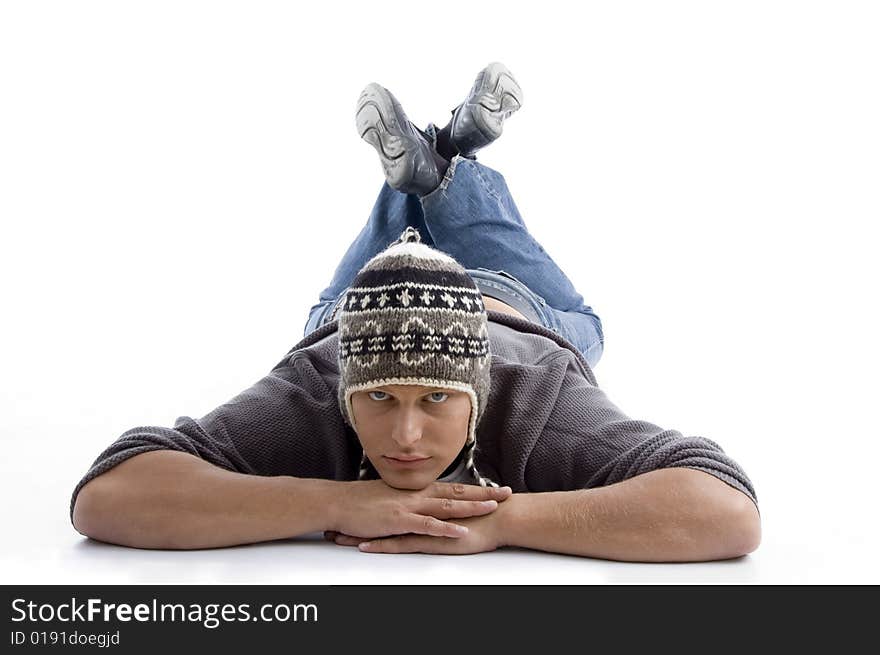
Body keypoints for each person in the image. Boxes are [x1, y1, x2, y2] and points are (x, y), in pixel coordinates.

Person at [70, 63, 761, 561]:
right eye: (378, 396)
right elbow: (106, 493)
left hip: (507, 302)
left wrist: (505, 520)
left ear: (480, 391)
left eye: (435, 395)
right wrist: (335, 501)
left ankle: (437, 160)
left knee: (577, 324)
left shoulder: (536, 398)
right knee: (581, 320)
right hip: (352, 317)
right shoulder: (316, 386)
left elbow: (728, 509)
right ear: (343, 384)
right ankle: (447, 160)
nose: (406, 432)